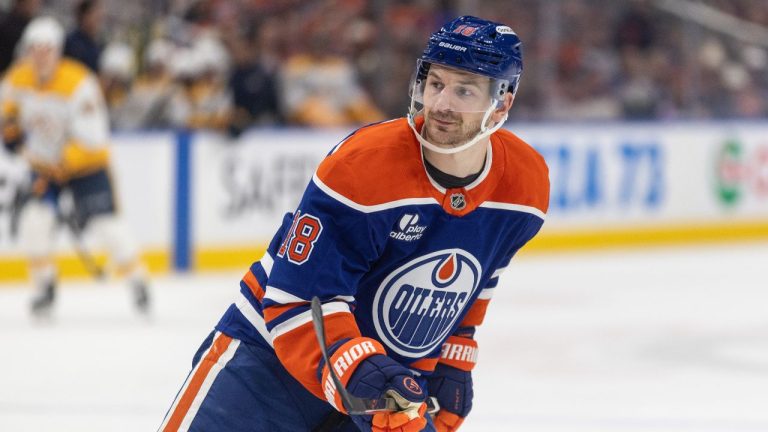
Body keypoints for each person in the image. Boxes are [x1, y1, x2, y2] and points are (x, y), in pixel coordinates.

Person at [159, 16, 549, 432]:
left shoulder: (525, 185)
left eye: (465, 90)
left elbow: (478, 280)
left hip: (390, 382)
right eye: (436, 84)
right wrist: (360, 371)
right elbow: (296, 297)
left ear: (503, 103)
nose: (442, 105)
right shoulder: (363, 165)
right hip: (271, 362)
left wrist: (455, 355)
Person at [0, 16, 151, 317]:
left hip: (86, 166)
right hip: (45, 166)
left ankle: (138, 281)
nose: (40, 56)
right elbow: (7, 112)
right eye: (35, 49)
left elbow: (93, 138)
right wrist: (10, 130)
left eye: (47, 49)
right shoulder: (17, 78)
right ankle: (44, 286)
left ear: (57, 51)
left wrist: (60, 166)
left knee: (107, 226)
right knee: (34, 220)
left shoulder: (79, 82)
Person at [63, 0, 105, 73]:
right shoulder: (71, 42)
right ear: (84, 16)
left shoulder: (99, 44)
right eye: (94, 16)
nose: (97, 21)